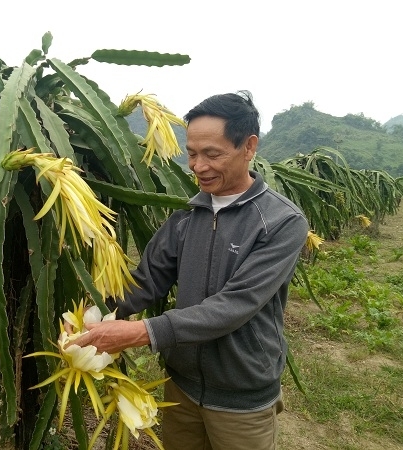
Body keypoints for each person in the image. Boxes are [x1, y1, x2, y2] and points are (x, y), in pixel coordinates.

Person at [72, 91, 309, 450]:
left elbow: (234, 306)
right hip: (180, 385)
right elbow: (145, 281)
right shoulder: (187, 214)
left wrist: (141, 332)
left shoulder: (281, 221)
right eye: (192, 153)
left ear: (249, 146)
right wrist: (87, 313)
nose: (198, 166)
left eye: (212, 154)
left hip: (240, 395)